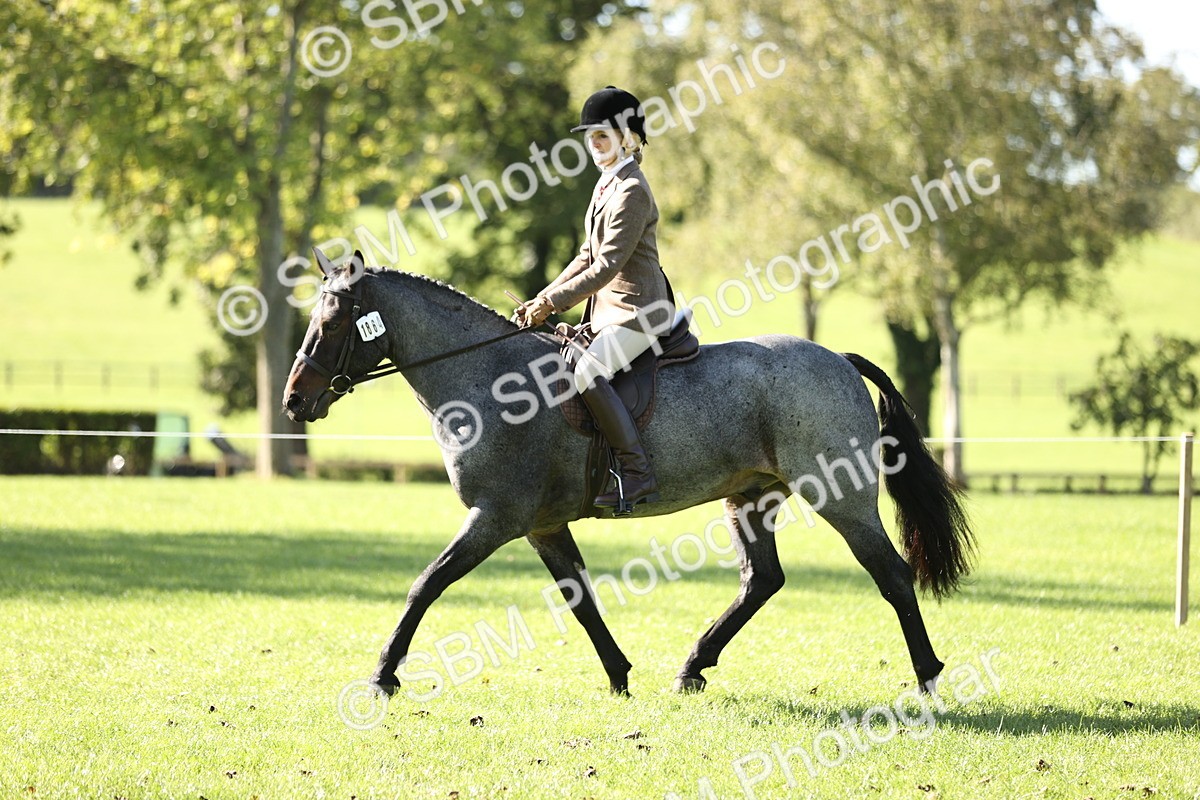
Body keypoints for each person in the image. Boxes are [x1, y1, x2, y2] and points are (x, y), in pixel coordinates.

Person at [515, 86, 673, 513]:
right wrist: (542, 296)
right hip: (610, 312)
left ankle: (637, 471)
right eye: (589, 137)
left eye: (601, 136)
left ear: (625, 136)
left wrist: (551, 305)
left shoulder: (632, 190)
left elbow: (605, 267)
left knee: (585, 370)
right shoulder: (607, 183)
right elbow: (586, 254)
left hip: (640, 310)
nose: (593, 144)